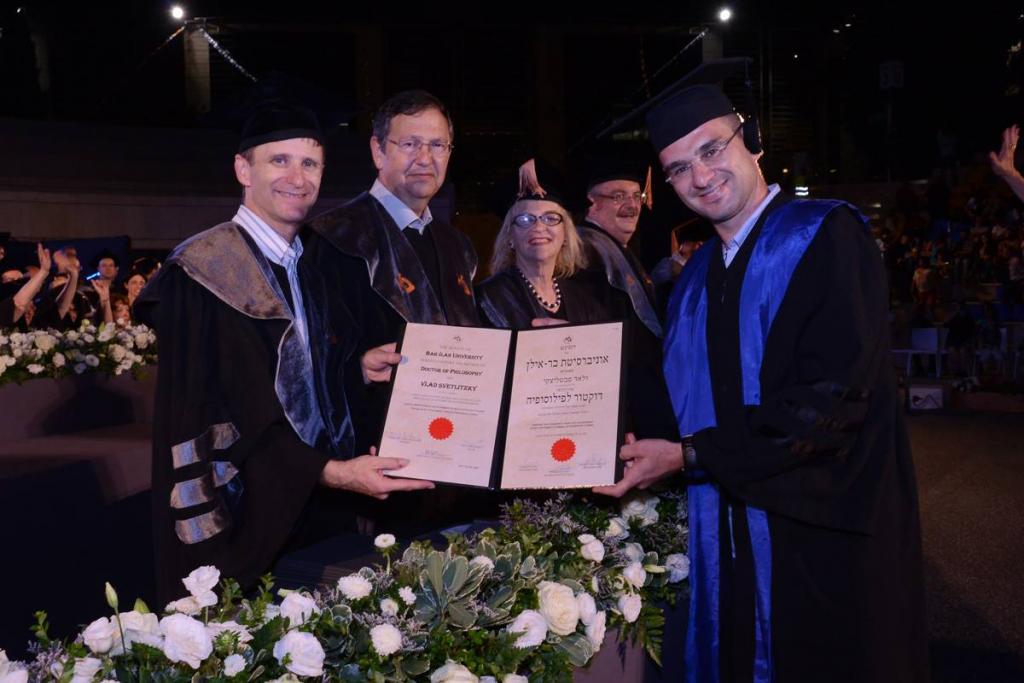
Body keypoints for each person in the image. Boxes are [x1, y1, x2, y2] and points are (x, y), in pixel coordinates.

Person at [595, 59, 927, 682]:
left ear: (750, 140)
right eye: (678, 168)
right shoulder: (695, 279)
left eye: (711, 149)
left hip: (820, 529)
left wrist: (690, 456)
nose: (700, 176)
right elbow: (669, 393)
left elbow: (833, 399)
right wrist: (574, 359)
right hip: (727, 532)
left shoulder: (824, 235)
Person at [135, 102, 433, 602]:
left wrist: (356, 370)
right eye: (279, 160)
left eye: (310, 163)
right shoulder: (203, 271)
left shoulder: (311, 266)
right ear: (243, 169)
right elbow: (210, 409)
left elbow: (303, 381)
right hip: (243, 513)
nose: (297, 178)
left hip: (319, 506)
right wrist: (330, 471)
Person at [477, 191, 606, 328]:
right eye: (525, 219)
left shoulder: (584, 299)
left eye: (550, 218)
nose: (538, 227)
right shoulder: (486, 298)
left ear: (566, 235)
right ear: (510, 238)